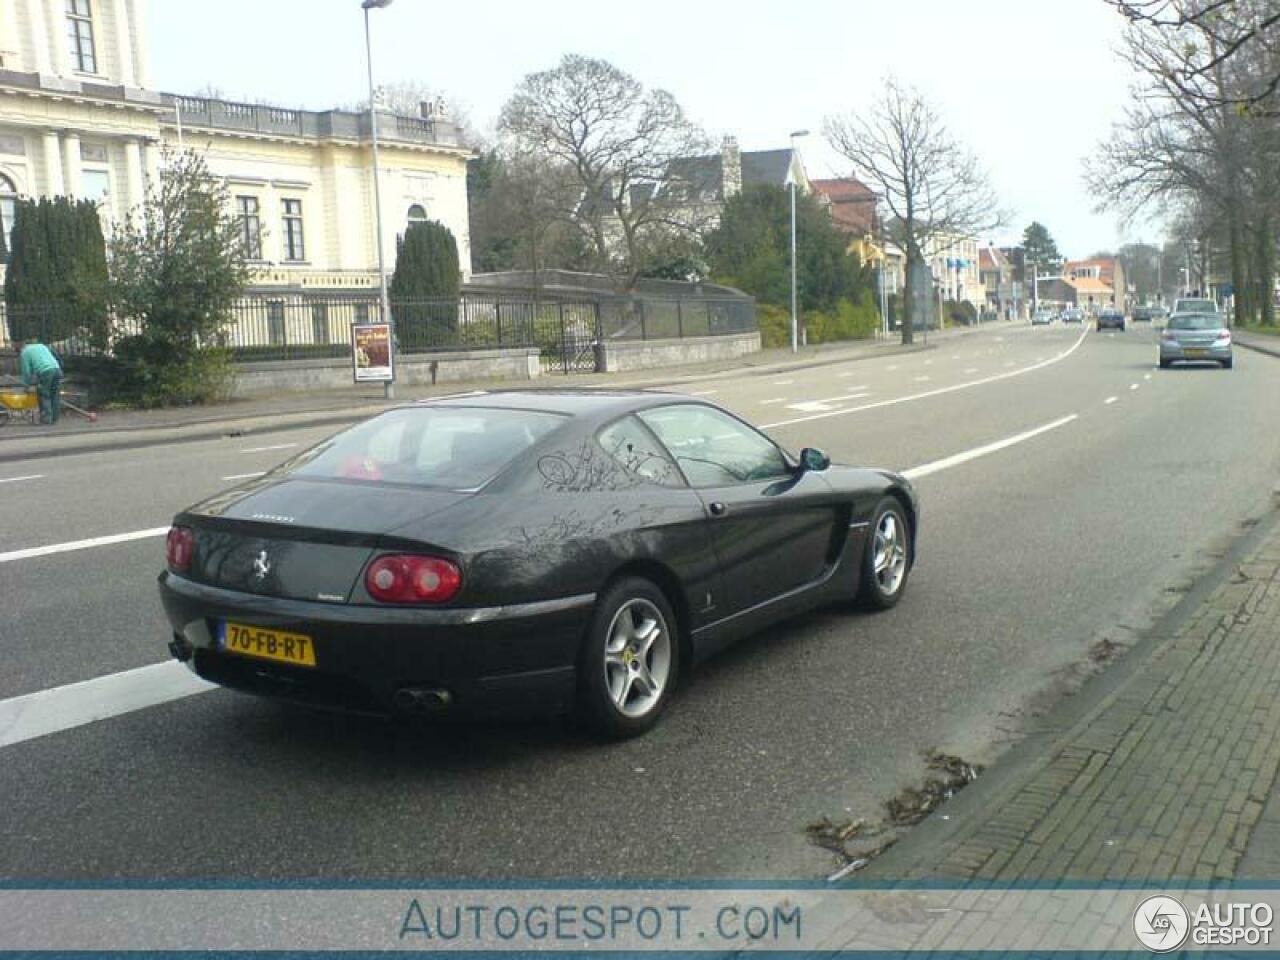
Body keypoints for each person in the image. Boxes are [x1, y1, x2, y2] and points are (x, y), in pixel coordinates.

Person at [18, 337, 63, 425]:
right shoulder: (42, 346)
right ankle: (55, 418)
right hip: (57, 369)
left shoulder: (24, 352)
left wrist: (26, 385)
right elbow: (55, 356)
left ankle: (47, 419)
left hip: (45, 372)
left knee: (44, 394)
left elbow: (26, 371)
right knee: (55, 394)